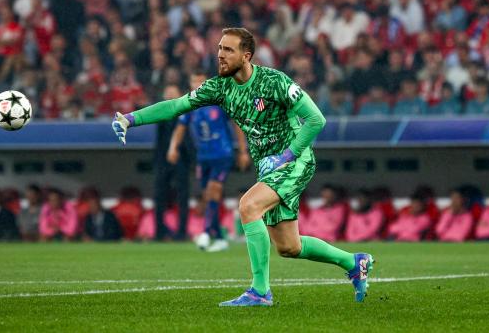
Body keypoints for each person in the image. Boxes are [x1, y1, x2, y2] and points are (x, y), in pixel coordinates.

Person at [113, 27, 373, 306]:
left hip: (295, 159)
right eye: (219, 49)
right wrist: (131, 118)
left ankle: (260, 292)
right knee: (288, 246)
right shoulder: (219, 87)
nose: (220, 55)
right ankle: (352, 261)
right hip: (267, 166)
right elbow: (177, 106)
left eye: (228, 50)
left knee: (248, 206)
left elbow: (316, 120)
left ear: (246, 56)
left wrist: (287, 155)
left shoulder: (275, 82)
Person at [166, 68, 251, 252]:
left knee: (214, 189)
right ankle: (220, 238)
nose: (197, 85)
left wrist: (243, 151)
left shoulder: (219, 100)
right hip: (203, 157)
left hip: (223, 154)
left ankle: (205, 232)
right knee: (209, 196)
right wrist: (173, 148)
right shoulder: (189, 105)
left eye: (200, 81)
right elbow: (180, 128)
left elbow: (237, 125)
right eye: (194, 81)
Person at [153, 84, 192, 240]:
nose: (169, 95)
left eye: (172, 92)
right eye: (167, 92)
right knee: (159, 196)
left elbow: (188, 140)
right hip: (163, 160)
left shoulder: (185, 112)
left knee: (183, 197)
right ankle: (159, 232)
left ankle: (181, 232)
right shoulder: (160, 113)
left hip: (181, 159)